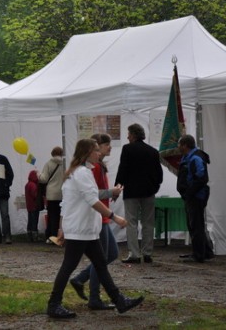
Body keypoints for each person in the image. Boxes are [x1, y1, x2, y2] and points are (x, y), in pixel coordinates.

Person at [47, 139, 143, 319]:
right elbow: (92, 201)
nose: (99, 153)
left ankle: (118, 299)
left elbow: (67, 203)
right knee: (69, 266)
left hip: (86, 230)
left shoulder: (80, 172)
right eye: (96, 150)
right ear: (87, 152)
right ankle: (53, 304)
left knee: (100, 265)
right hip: (80, 230)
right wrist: (115, 217)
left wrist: (61, 227)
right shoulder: (82, 173)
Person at [69, 133, 124, 310]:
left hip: (101, 216)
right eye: (106, 145)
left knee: (109, 255)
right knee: (102, 258)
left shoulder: (97, 167)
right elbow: (93, 195)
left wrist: (110, 194)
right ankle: (94, 296)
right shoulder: (92, 169)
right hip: (99, 216)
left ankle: (81, 280)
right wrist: (111, 193)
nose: (108, 149)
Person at [115, 123, 163, 264]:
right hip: (148, 192)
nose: (127, 136)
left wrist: (117, 188)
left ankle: (134, 254)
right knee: (148, 222)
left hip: (131, 192)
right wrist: (154, 187)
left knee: (131, 223)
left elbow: (122, 169)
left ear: (134, 135)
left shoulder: (127, 149)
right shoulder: (153, 151)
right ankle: (147, 253)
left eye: (129, 133)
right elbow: (158, 174)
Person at [177, 134, 215, 263]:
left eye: (179, 144)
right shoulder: (189, 157)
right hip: (193, 196)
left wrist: (189, 193)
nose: (178, 147)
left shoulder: (195, 158)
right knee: (195, 224)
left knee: (195, 225)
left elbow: (202, 178)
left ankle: (199, 255)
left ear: (185, 145)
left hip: (196, 197)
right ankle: (206, 252)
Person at [39, 146, 65, 244]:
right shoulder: (65, 164)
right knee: (61, 216)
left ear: (52, 153)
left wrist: (38, 174)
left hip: (52, 194)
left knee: (52, 216)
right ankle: (61, 237)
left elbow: (44, 179)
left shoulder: (48, 164)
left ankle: (51, 237)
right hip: (63, 193)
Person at [24, 170, 40, 242]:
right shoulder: (33, 185)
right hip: (34, 206)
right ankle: (35, 237)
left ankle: (29, 236)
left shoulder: (27, 184)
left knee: (30, 221)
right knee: (34, 221)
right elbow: (35, 195)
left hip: (29, 206)